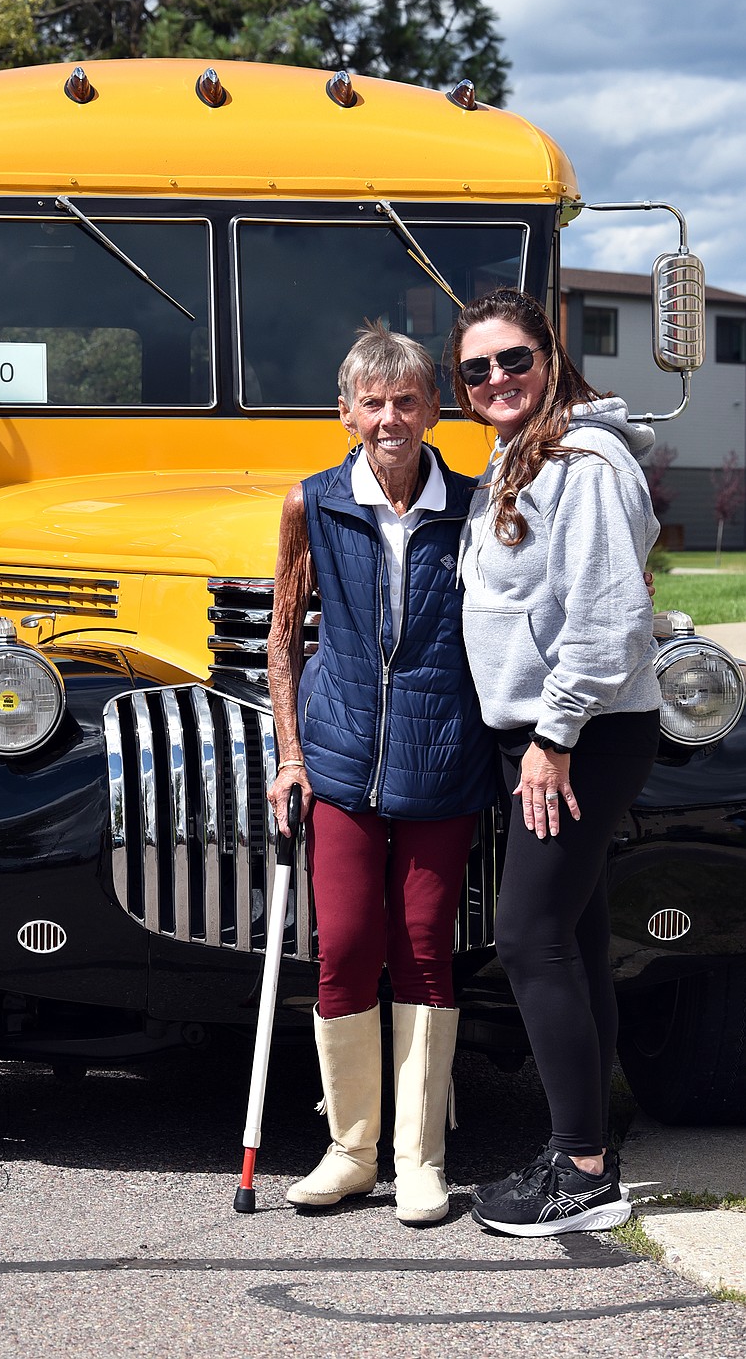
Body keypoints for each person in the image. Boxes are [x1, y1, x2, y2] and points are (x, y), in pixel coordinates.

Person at [266, 324, 496, 1225]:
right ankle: (350, 1151)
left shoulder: (476, 507)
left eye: (407, 400)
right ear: (346, 413)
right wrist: (290, 755)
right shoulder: (313, 504)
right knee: (349, 946)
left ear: (435, 409)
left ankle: (421, 1159)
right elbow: (285, 640)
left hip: (443, 761)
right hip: (339, 760)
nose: (390, 418)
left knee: (426, 948)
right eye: (373, 401)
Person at [452, 286, 659, 1238]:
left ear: (551, 356)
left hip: (577, 739)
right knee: (572, 942)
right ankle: (586, 1149)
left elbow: (610, 618)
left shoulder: (587, 460)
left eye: (513, 360)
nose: (496, 378)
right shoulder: (516, 456)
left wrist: (554, 738)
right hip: (541, 736)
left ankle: (581, 1176)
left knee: (527, 937)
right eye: (477, 369)